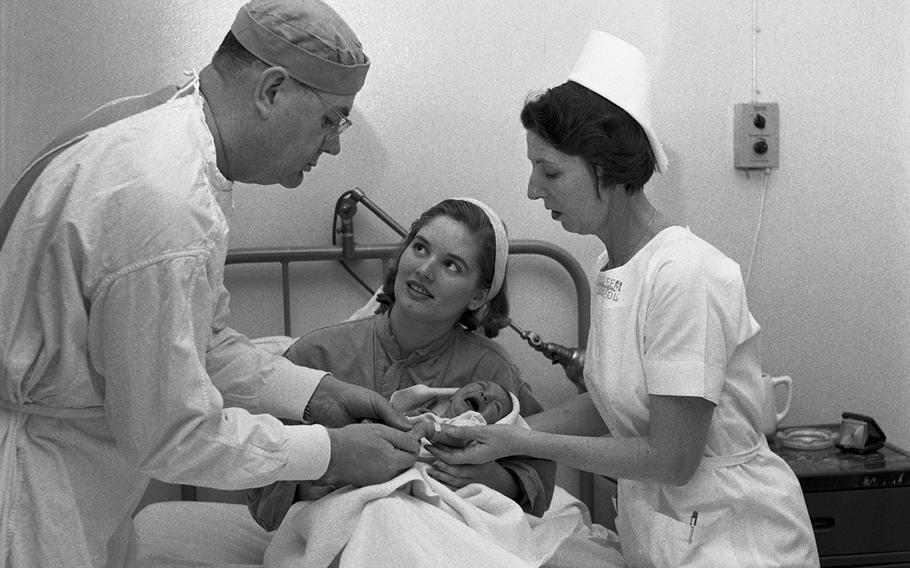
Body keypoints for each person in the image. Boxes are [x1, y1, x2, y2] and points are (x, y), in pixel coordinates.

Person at [0, 2, 423, 566]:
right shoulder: (167, 201)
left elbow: (199, 342)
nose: (334, 145)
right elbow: (171, 434)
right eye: (332, 119)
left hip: (78, 475)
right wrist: (329, 453)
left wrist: (316, 394)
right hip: (34, 495)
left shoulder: (169, 139)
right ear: (271, 90)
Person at [429, 31, 820, 568]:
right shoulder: (612, 266)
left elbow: (671, 456)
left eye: (550, 171)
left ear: (606, 170)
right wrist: (502, 433)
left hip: (736, 539)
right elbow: (612, 404)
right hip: (667, 532)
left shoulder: (686, 272)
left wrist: (523, 445)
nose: (532, 189)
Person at [246, 198, 556, 532]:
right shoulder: (314, 357)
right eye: (420, 248)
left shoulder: (493, 376)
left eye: (453, 265)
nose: (425, 269)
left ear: (479, 296)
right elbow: (262, 485)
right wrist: (331, 472)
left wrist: (493, 478)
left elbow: (535, 478)